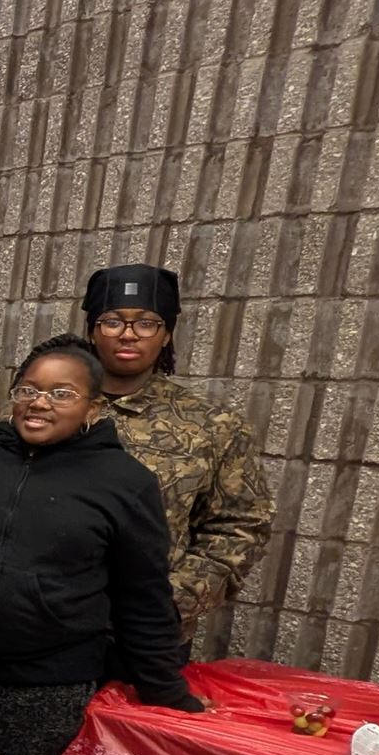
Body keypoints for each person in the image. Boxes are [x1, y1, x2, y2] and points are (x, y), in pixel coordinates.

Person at [0, 335, 202, 755]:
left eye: (61, 393)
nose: (39, 403)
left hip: (45, 690)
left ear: (93, 408)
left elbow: (142, 596)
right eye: (28, 390)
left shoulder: (125, 484)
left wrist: (163, 690)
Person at [83, 263, 274, 653]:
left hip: (145, 639)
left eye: (147, 322)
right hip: (40, 630)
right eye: (113, 321)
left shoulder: (212, 424)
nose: (129, 334)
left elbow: (240, 525)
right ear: (91, 330)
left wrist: (169, 603)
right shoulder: (50, 407)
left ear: (167, 333)